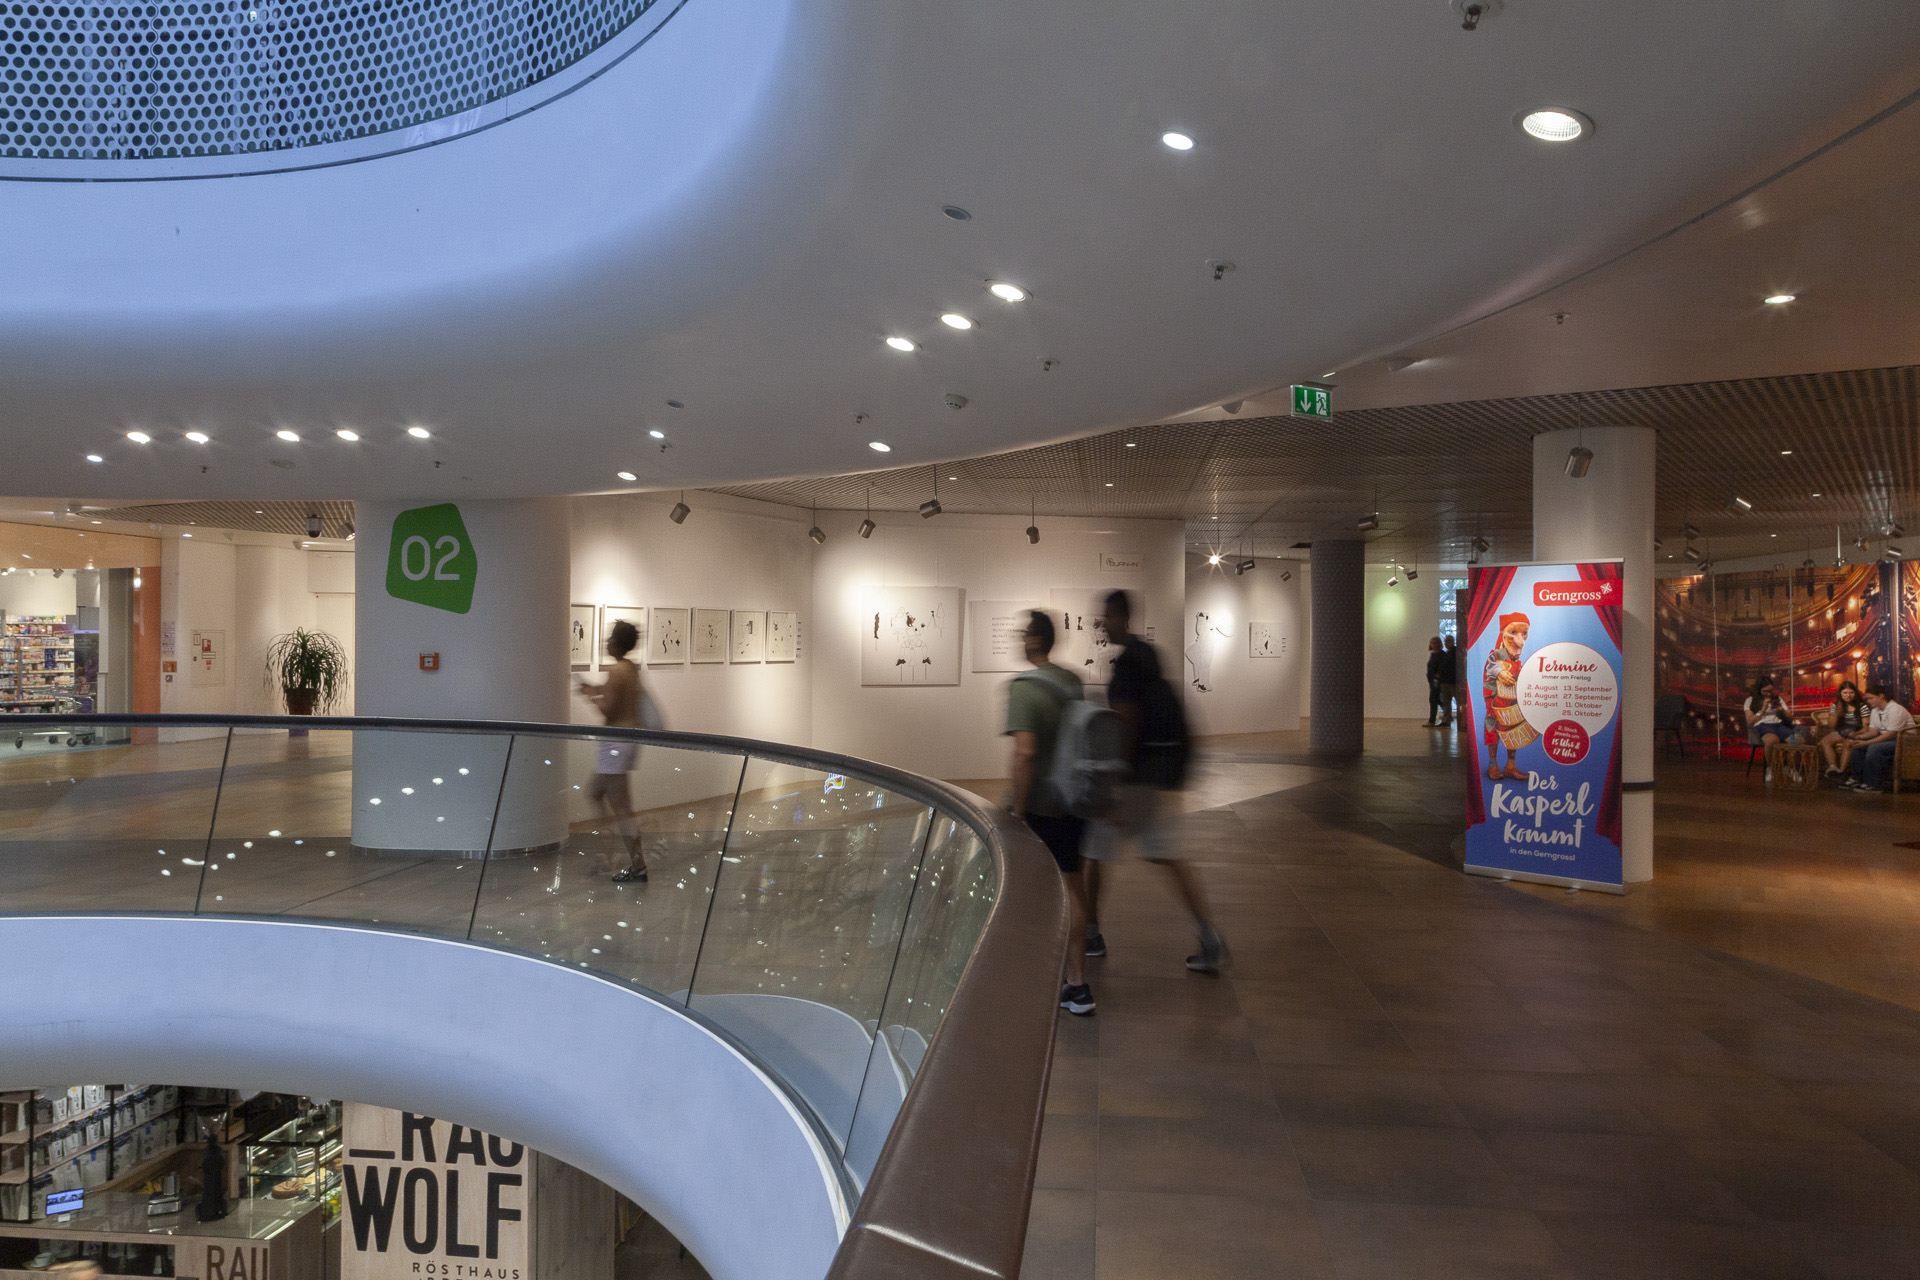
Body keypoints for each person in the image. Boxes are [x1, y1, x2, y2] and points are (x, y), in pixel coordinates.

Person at [1082, 589, 1226, 974]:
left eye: (1107, 616)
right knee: (1164, 854)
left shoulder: (1127, 668)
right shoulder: (1148, 655)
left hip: (1135, 781)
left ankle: (1091, 934)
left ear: (1122, 618)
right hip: (1157, 775)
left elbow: (1127, 728)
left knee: (1094, 851)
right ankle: (1208, 935)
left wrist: (1116, 785)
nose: (1102, 623)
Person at [1006, 610, 1095, 1015]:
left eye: (1024, 634)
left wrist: (1019, 811)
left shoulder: (1024, 688)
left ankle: (1066, 981)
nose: (1021, 639)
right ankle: (1074, 979)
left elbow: (1025, 754)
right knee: (1073, 886)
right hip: (1075, 798)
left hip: (1043, 804)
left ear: (1035, 640)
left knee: (1040, 890)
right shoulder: (1072, 681)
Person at [577, 618, 648, 882]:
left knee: (622, 806)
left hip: (615, 743)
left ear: (618, 642)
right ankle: (606, 852)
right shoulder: (630, 668)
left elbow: (607, 708)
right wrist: (595, 689)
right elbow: (616, 695)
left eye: (610, 638)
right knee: (595, 793)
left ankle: (638, 865)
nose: (607, 642)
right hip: (626, 741)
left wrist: (589, 695)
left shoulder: (616, 670)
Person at [1482, 613, 1537, 780]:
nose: (1520, 641)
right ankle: (1492, 764)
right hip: (1495, 703)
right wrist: (1500, 672)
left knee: (1513, 729)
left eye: (1524, 633)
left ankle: (1510, 766)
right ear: (1503, 634)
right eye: (1513, 632)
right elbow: (1491, 666)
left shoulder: (1517, 660)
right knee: (1493, 729)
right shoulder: (1497, 654)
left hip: (1512, 704)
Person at [1840, 684, 1914, 793]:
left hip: (1905, 741)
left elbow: (1890, 734)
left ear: (1881, 696)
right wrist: (1857, 737)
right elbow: (1873, 731)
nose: (1868, 701)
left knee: (1875, 747)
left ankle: (1874, 785)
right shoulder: (1875, 710)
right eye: (1867, 699)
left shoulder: (1895, 709)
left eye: (1870, 698)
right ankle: (1857, 779)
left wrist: (1867, 743)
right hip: (1888, 739)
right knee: (1857, 746)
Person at [1743, 676, 1798, 759]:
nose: (1769, 694)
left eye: (1771, 690)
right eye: (1765, 691)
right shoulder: (1750, 700)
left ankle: (1789, 764)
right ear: (1759, 690)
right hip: (1762, 726)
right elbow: (1750, 721)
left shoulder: (1778, 699)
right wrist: (1763, 710)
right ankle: (1772, 766)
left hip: (1779, 725)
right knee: (1772, 741)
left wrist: (1782, 709)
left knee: (1797, 740)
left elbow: (1791, 717)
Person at [1819, 681, 1867, 778]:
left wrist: (1855, 733)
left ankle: (1841, 771)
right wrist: (1837, 712)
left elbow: (1866, 727)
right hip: (1842, 731)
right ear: (1840, 694)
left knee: (1847, 742)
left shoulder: (1862, 706)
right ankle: (1833, 767)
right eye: (1845, 693)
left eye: (1851, 692)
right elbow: (1831, 725)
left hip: (1857, 731)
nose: (1848, 695)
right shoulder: (1836, 705)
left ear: (1855, 693)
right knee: (1825, 740)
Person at [1424, 636, 1449, 727]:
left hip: (1439, 682)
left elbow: (1443, 667)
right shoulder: (1432, 654)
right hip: (1432, 682)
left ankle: (1434, 720)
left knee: (1435, 699)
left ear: (1439, 644)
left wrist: (1437, 675)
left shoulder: (1442, 654)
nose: (1434, 645)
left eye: (1436, 643)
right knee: (1435, 700)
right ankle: (1444, 717)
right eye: (1432, 643)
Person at [1440, 634, 1460, 727]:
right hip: (1446, 682)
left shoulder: (1456, 653)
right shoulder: (1447, 653)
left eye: (1448, 641)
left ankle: (1462, 721)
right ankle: (1446, 721)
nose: (1446, 643)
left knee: (1457, 701)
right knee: (1446, 702)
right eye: (1445, 641)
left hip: (1453, 682)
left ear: (1452, 641)